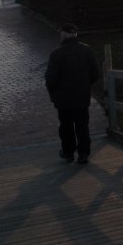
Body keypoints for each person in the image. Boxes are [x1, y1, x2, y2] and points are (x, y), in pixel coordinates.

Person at [45, 23, 100, 164]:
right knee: (82, 125)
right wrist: (85, 85)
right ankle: (83, 153)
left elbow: (51, 79)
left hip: (63, 99)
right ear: (75, 35)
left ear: (63, 34)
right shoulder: (87, 51)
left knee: (66, 126)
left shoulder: (57, 54)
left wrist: (53, 94)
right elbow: (95, 74)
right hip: (82, 97)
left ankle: (68, 153)